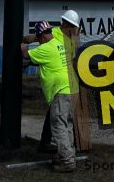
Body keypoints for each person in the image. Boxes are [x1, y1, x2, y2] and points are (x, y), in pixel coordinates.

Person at [21, 16, 78, 172]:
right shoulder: (60, 44)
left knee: (59, 127)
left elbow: (25, 54)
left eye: (38, 38)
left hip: (61, 91)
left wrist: (22, 44)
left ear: (41, 36)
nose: (38, 41)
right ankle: (68, 155)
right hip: (72, 89)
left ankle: (67, 162)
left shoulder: (46, 48)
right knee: (67, 126)